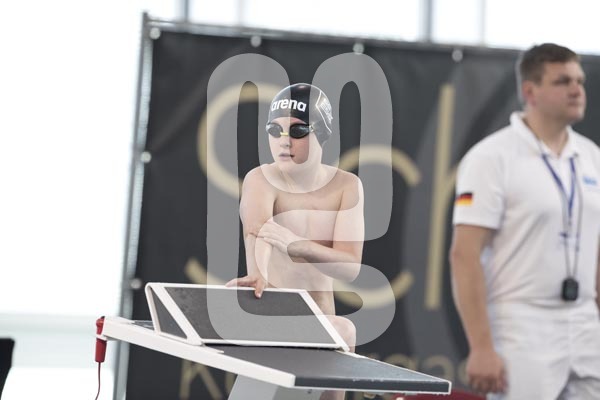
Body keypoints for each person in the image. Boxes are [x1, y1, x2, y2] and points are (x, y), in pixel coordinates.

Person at [450, 43, 600, 399]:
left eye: (579, 80)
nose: (577, 89)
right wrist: (481, 347)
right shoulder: (491, 157)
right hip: (521, 323)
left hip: (584, 321)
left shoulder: (592, 156)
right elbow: (464, 255)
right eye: (563, 81)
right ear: (530, 92)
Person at [226, 83, 364, 400]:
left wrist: (298, 245)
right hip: (274, 328)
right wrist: (258, 274)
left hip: (324, 334)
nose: (284, 141)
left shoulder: (347, 186)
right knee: (344, 331)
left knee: (341, 333)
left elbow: (350, 266)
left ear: (322, 134)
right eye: (274, 130)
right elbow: (257, 232)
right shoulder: (261, 179)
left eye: (298, 131)